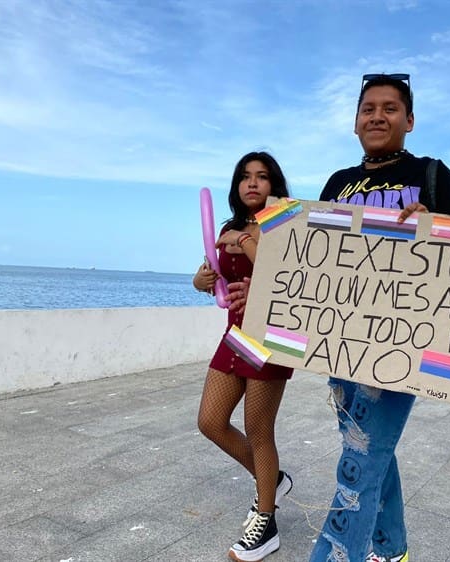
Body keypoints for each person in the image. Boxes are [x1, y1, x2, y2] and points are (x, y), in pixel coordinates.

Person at [310, 73, 450, 562]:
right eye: (368, 108)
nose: (378, 116)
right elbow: (313, 255)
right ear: (355, 122)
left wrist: (433, 227)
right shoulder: (337, 182)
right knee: (370, 449)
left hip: (402, 346)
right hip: (343, 344)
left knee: (360, 459)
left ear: (410, 120)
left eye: (390, 108)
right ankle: (392, 547)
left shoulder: (434, 175)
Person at [192, 152, 294, 562]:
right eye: (245, 177)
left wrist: (247, 242)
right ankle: (272, 479)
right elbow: (215, 275)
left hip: (272, 337)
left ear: (274, 184)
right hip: (235, 335)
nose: (253, 184)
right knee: (210, 421)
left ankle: (266, 519)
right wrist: (200, 280)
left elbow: (286, 274)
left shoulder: (284, 224)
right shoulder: (229, 228)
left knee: (258, 429)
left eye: (262, 177)